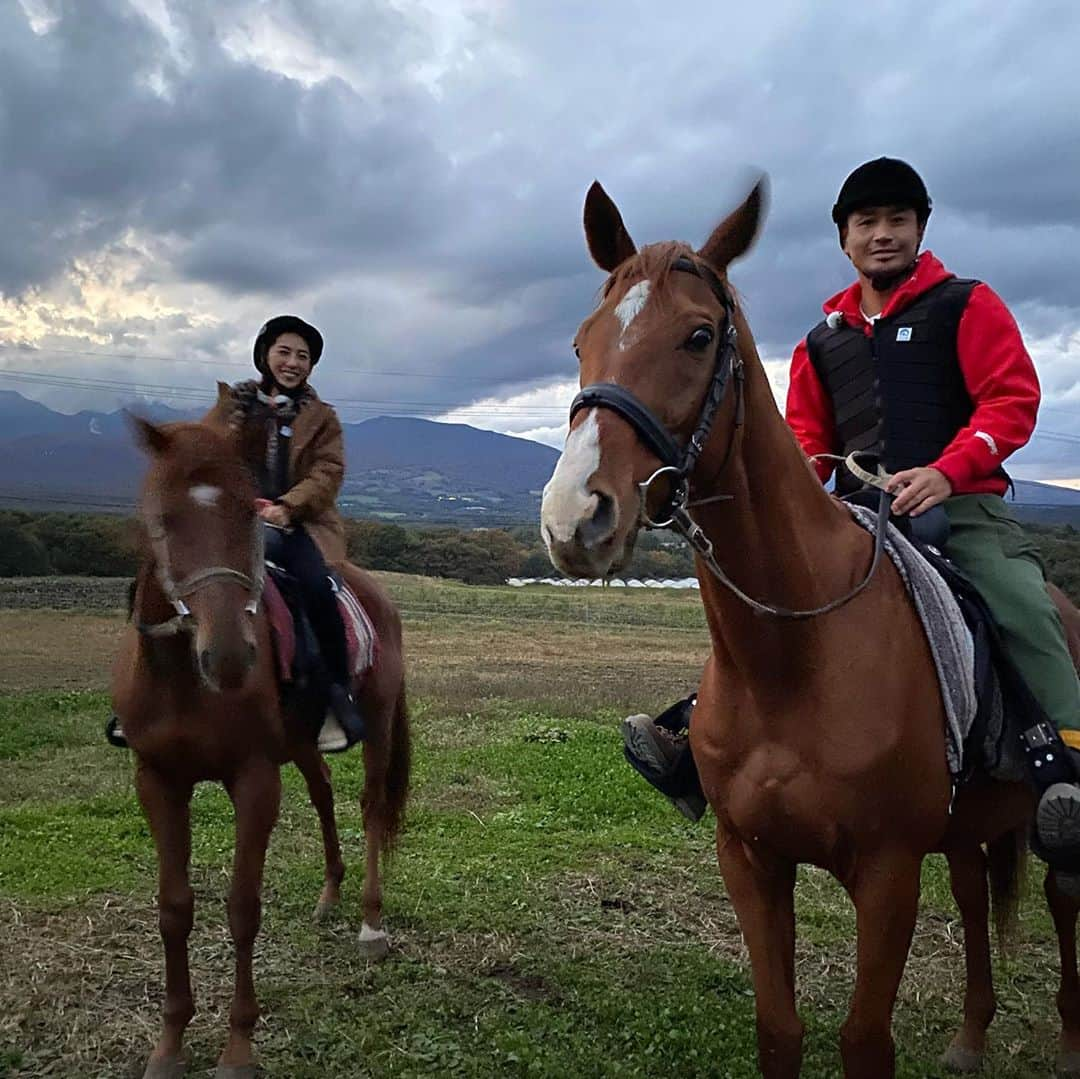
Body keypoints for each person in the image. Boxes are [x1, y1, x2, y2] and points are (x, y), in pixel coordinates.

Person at [623, 158, 1080, 875]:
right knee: (763, 609)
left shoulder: (967, 304)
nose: (883, 234)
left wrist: (945, 470)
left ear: (920, 229)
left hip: (961, 509)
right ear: (844, 239)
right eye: (867, 222)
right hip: (860, 510)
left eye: (898, 219)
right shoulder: (822, 338)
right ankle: (698, 737)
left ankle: (1064, 766)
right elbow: (806, 443)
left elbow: (1011, 399)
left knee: (1023, 605)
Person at [106, 315, 364, 754]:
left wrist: (288, 506)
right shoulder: (232, 405)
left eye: (303, 356)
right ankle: (141, 700)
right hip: (228, 522)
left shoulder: (322, 418)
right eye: (284, 351)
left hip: (292, 523)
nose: (293, 362)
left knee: (317, 592)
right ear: (265, 354)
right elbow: (202, 453)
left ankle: (335, 696)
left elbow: (328, 471)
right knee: (150, 582)